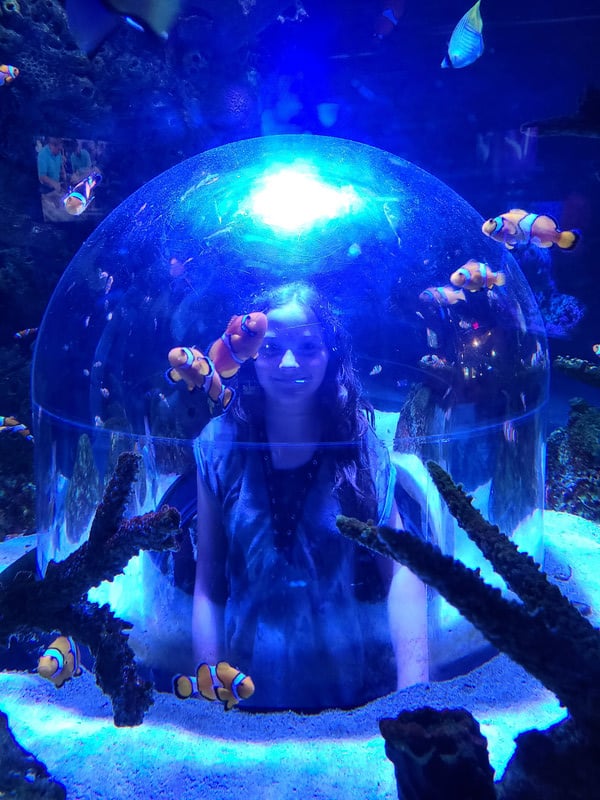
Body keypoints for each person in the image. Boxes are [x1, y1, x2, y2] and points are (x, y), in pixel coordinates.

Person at [192, 282, 428, 710]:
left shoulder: (359, 447)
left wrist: (414, 696)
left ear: (331, 353)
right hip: (242, 700)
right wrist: (207, 698)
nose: (288, 362)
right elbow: (207, 583)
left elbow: (401, 572)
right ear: (248, 355)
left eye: (307, 346)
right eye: (270, 348)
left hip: (346, 697)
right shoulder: (218, 447)